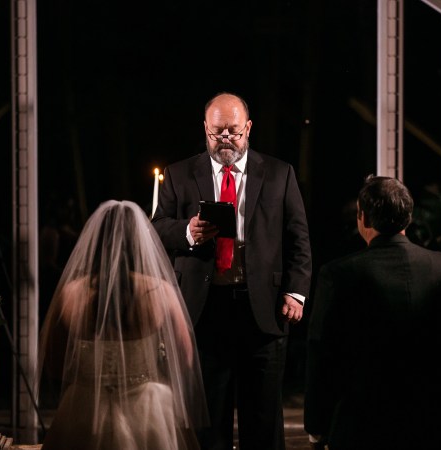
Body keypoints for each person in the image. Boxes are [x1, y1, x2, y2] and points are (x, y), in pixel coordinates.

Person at [151, 91, 312, 450]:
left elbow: (299, 238)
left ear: (248, 128)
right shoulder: (179, 174)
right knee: (208, 421)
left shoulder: (279, 173)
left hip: (263, 308)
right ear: (205, 129)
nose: (225, 139)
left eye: (233, 132)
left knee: (263, 420)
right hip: (204, 309)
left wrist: (296, 292)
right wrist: (187, 231)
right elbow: (156, 228)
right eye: (217, 132)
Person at [304, 175, 441, 450]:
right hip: (432, 420)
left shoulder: (339, 274)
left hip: (362, 423)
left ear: (363, 218)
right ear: (409, 216)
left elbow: (323, 353)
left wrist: (317, 425)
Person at [37, 200, 208, 450]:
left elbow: (53, 362)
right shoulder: (161, 292)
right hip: (147, 409)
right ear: (141, 242)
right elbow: (184, 358)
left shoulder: (71, 293)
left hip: (85, 407)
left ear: (95, 242)